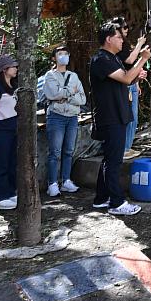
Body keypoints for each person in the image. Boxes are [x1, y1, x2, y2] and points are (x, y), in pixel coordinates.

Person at [89, 22, 150, 215]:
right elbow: (124, 78)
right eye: (118, 37)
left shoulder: (112, 58)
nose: (122, 41)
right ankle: (117, 203)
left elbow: (125, 78)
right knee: (114, 161)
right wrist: (142, 60)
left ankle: (101, 198)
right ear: (108, 39)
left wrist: (137, 76)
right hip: (110, 116)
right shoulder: (101, 59)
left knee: (110, 158)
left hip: (117, 114)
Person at [43, 46, 86, 197]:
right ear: (54, 58)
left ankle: (66, 180)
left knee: (68, 150)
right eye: (60, 54)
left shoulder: (74, 76)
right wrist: (70, 92)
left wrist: (65, 95)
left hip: (72, 117)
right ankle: (52, 183)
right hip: (56, 116)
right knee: (55, 152)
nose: (63, 56)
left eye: (66, 54)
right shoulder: (50, 76)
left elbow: (82, 98)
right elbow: (53, 94)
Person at [110, 17, 146, 157]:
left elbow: (130, 66)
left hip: (131, 84)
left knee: (134, 117)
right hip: (123, 86)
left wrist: (136, 82)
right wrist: (139, 45)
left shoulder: (125, 44)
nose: (127, 30)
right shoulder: (119, 47)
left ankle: (127, 147)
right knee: (126, 117)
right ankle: (123, 148)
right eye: (124, 27)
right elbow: (129, 60)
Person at [0, 55, 19, 210]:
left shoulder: (14, 86)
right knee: (0, 163)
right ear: (4, 69)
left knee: (12, 162)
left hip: (14, 129)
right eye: (13, 66)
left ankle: (10, 193)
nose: (16, 69)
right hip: (0, 130)